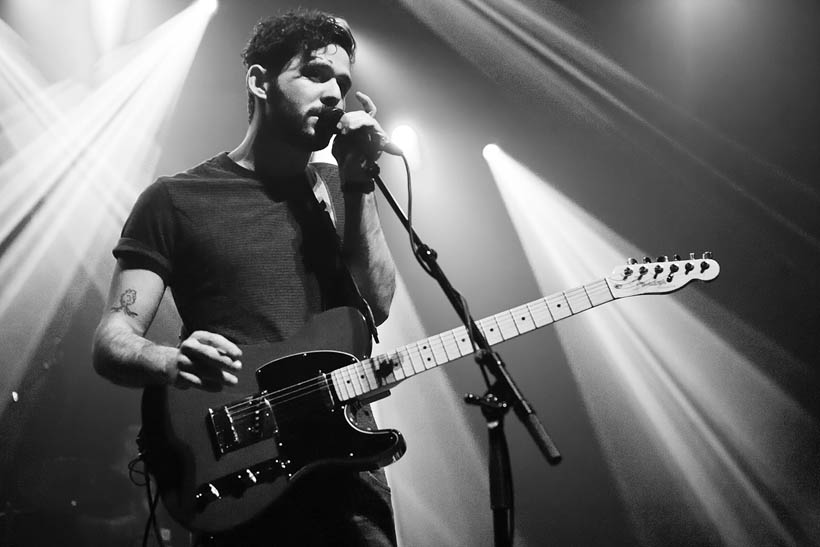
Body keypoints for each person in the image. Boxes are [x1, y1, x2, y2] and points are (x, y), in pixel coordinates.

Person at [92, 9, 397, 546]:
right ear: (259, 81)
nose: (335, 96)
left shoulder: (343, 189)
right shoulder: (176, 200)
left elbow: (376, 307)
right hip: (241, 471)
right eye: (317, 75)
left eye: (344, 85)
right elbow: (112, 341)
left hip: (346, 471)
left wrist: (358, 185)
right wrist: (171, 360)